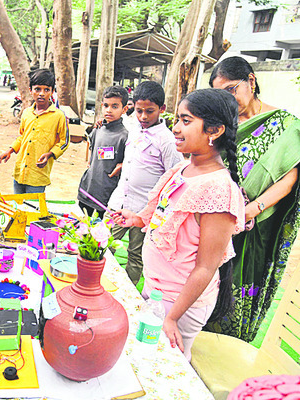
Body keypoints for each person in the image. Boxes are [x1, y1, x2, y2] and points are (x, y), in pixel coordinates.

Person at [113, 88, 246, 360]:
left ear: (215, 130)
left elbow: (206, 266)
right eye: (177, 120)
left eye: (186, 121)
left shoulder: (219, 190)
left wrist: (172, 317)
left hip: (181, 304)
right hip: (157, 291)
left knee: (167, 366)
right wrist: (138, 218)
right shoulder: (182, 169)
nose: (175, 129)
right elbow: (166, 214)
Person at [206, 56, 300, 341]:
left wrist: (253, 209)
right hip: (216, 220)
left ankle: (230, 345)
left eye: (232, 90)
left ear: (251, 81)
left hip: (254, 227)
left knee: (240, 284)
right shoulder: (221, 125)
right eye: (220, 94)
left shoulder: (285, 125)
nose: (229, 100)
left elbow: (291, 175)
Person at [108, 81, 183, 286]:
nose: (143, 117)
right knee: (103, 244)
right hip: (119, 202)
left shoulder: (168, 141)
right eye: (139, 111)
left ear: (162, 109)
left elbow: (173, 178)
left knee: (135, 255)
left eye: (149, 111)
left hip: (143, 211)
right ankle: (101, 286)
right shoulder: (133, 129)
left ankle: (128, 293)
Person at [0, 68, 69, 194]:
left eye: (46, 90)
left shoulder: (58, 116)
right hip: (20, 172)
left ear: (52, 92)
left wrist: (50, 154)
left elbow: (64, 141)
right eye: (37, 89)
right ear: (31, 91)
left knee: (32, 210)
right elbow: (22, 136)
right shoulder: (26, 113)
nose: (41, 93)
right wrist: (10, 150)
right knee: (17, 209)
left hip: (38, 175)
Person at [77, 85, 129, 218]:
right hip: (88, 188)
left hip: (106, 194)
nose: (109, 110)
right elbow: (94, 153)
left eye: (115, 106)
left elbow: (128, 164)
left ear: (125, 109)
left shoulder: (125, 136)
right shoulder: (98, 129)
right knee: (83, 229)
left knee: (100, 233)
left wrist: (123, 166)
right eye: (106, 106)